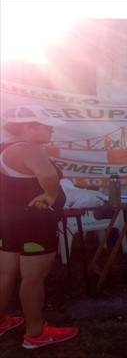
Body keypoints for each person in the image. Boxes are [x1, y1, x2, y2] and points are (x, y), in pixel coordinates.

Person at [0, 105, 79, 349]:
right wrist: (50, 194)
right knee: (33, 277)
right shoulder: (28, 149)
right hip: (33, 223)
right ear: (28, 127)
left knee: (6, 273)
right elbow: (48, 175)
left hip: (8, 222)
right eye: (47, 125)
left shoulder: (4, 148)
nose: (52, 129)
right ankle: (35, 334)